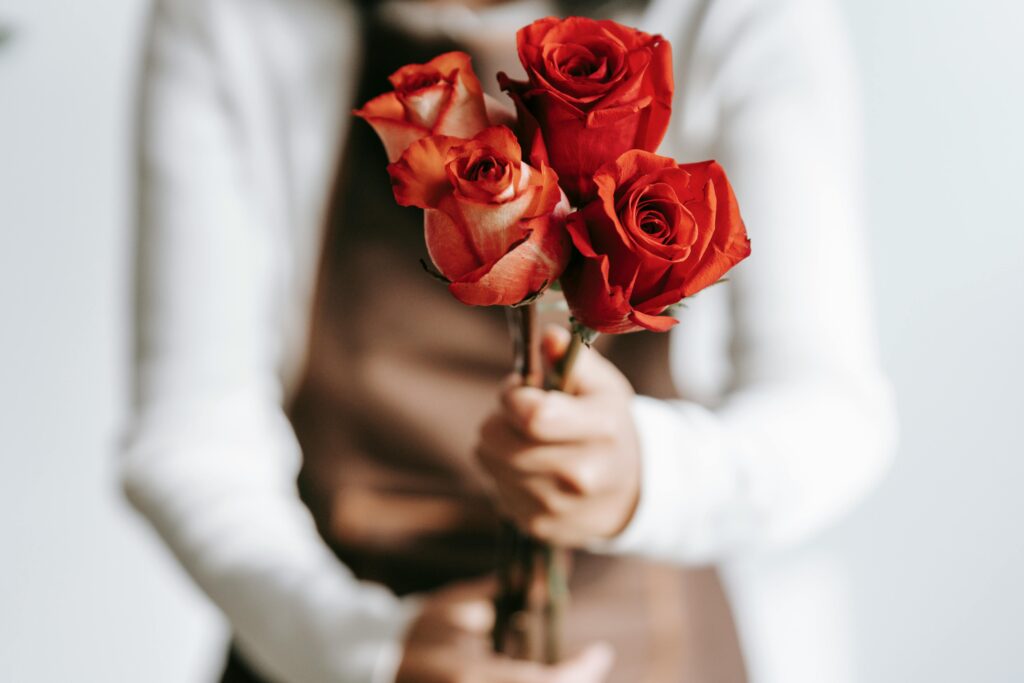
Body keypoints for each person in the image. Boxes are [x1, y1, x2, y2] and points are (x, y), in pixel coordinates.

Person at [123, 0, 897, 681]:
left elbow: (831, 409)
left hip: (645, 639)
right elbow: (191, 436)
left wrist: (644, 474)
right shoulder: (230, 17)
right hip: (321, 631)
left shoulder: (737, 14)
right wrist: (363, 654)